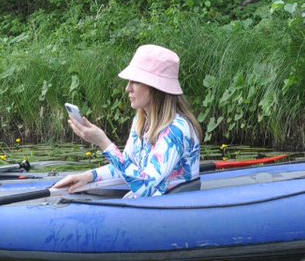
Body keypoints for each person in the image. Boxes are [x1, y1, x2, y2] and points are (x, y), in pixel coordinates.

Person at [54, 44, 202, 198]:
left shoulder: (176, 129)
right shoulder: (141, 120)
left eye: (135, 82)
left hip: (171, 210)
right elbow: (128, 168)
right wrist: (88, 176)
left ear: (155, 88)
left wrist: (104, 143)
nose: (127, 88)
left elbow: (145, 187)